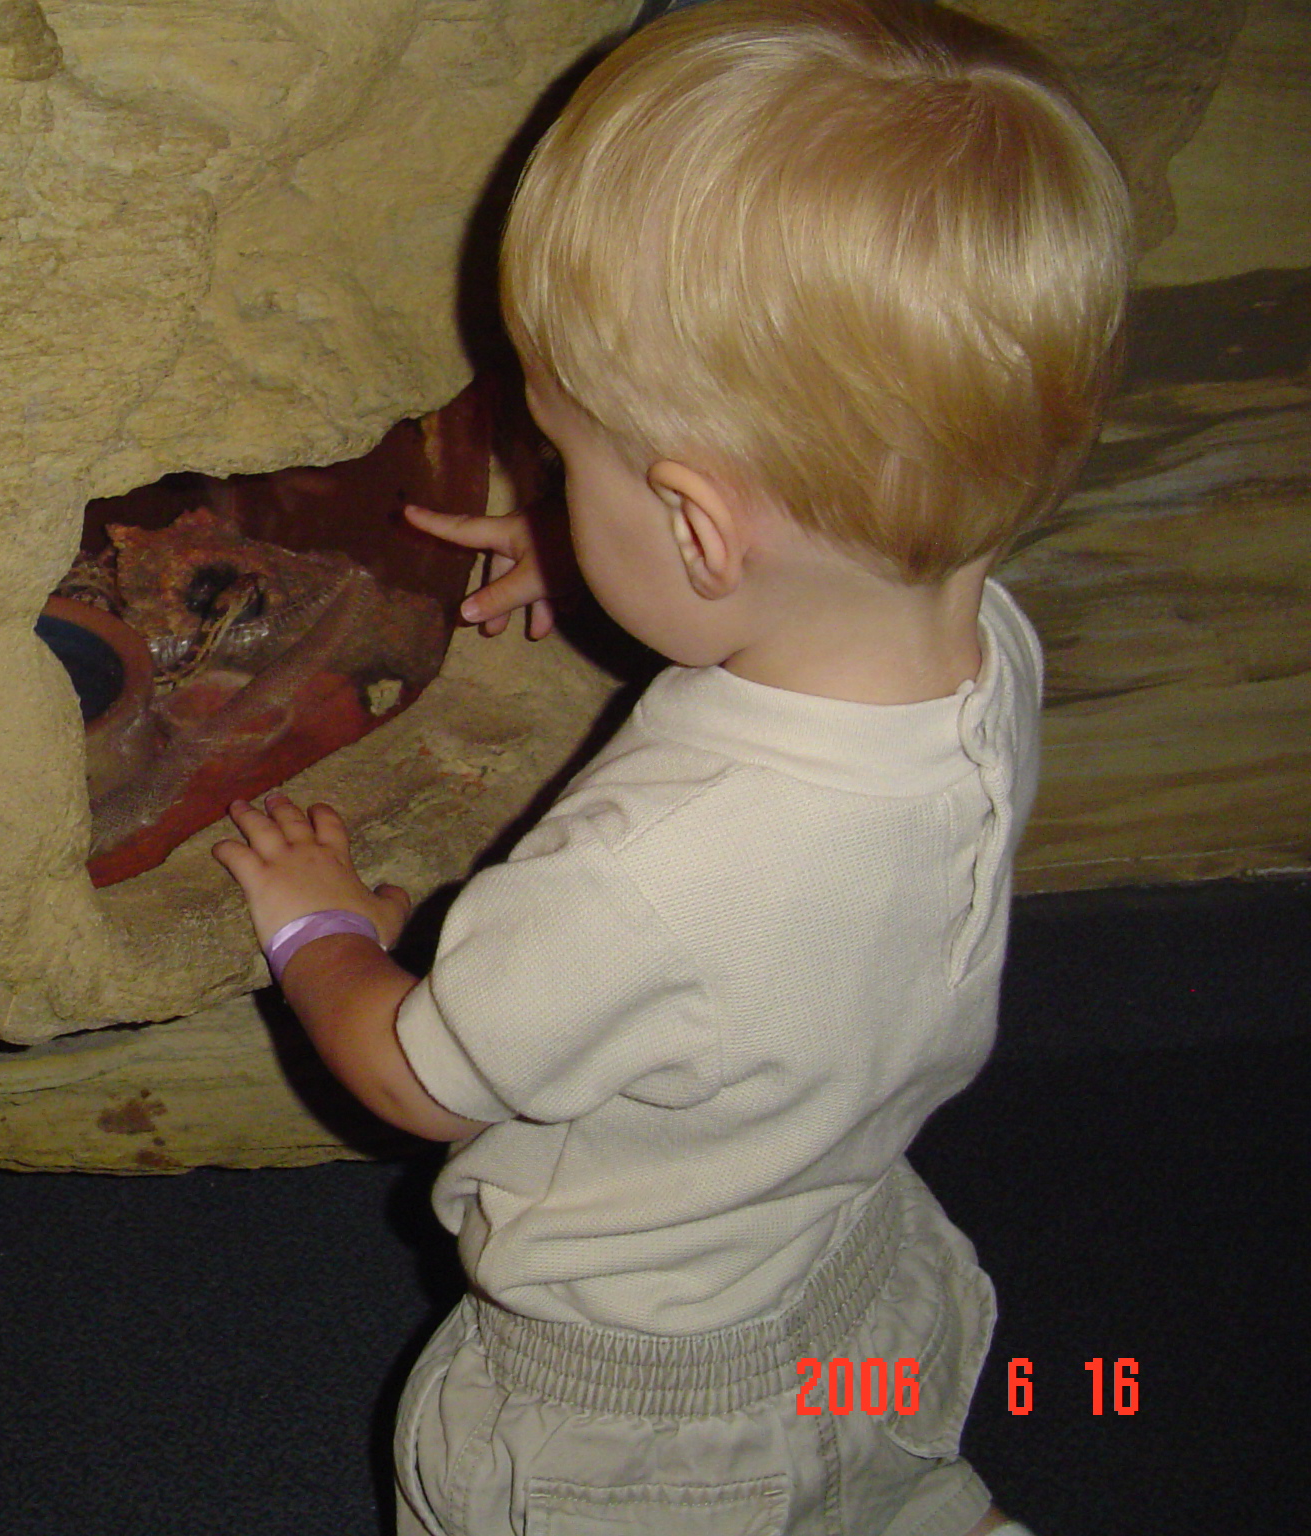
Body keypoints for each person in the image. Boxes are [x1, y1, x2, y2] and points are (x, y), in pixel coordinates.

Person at [212, 1, 1132, 1532]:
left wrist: (321, 928)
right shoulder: (989, 649)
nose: (550, 487)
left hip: (641, 1423)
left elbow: (413, 1079)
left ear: (702, 530)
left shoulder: (644, 879)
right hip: (852, 1294)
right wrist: (596, 555)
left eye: (568, 465)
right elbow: (802, 596)